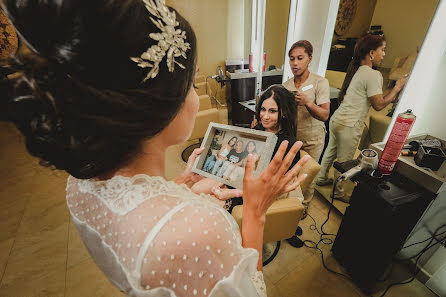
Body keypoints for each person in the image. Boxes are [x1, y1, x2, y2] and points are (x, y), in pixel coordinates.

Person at [1, 1, 310, 296]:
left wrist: (184, 182)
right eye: (191, 84)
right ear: (162, 105)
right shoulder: (203, 231)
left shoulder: (78, 184)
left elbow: (136, 208)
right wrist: (255, 213)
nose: (194, 94)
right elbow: (252, 291)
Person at [316, 34, 408, 201]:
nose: (384, 54)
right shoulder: (373, 75)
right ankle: (339, 192)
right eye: (383, 50)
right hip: (350, 124)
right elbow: (379, 105)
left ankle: (321, 179)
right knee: (344, 160)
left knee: (330, 151)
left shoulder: (358, 70)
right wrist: (397, 88)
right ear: (372, 53)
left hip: (337, 119)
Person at [211, 85, 305, 211]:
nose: (265, 116)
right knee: (197, 189)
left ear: (284, 113)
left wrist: (234, 193)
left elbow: (270, 187)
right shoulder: (258, 129)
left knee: (210, 206)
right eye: (263, 109)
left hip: (257, 195)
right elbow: (245, 161)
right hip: (241, 179)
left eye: (272, 111)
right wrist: (225, 178)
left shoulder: (287, 146)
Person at [283, 40, 330, 213]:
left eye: (300, 58)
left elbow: (324, 115)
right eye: (292, 59)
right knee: (292, 177)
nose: (295, 63)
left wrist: (308, 103)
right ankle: (290, 208)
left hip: (312, 139)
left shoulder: (320, 83)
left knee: (307, 177)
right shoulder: (286, 86)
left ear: (310, 58)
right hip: (292, 139)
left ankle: (303, 209)